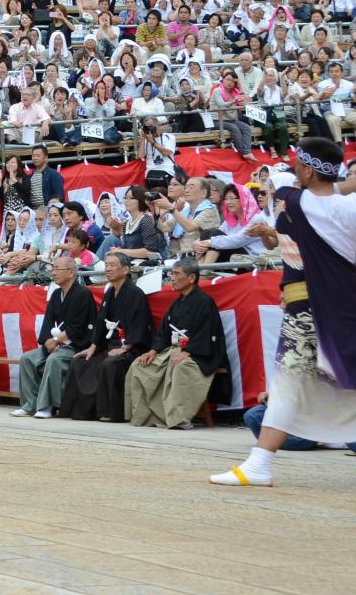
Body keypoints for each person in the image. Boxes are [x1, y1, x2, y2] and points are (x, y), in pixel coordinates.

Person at [212, 138, 356, 487]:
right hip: (342, 304)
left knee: (289, 383)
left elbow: (287, 195)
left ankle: (259, 463)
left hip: (308, 308)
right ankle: (259, 463)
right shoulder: (347, 210)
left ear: (306, 169)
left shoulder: (293, 200)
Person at [125, 256, 225, 430]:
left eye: (176, 274)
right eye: (171, 273)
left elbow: (206, 334)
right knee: (138, 365)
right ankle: (146, 416)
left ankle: (178, 418)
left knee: (181, 366)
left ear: (191, 278)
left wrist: (188, 352)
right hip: (174, 349)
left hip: (200, 354)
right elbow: (164, 332)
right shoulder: (176, 303)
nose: (172, 277)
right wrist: (153, 351)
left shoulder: (204, 302)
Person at [62, 252, 155, 421]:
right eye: (106, 265)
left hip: (131, 347)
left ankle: (109, 412)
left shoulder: (135, 293)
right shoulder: (110, 292)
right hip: (109, 345)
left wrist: (125, 348)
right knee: (80, 361)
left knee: (111, 364)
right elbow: (100, 323)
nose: (108, 269)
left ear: (126, 269)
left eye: (112, 265)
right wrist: (92, 347)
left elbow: (140, 324)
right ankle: (81, 411)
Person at [11, 256, 97, 419]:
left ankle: (47, 405)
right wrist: (47, 343)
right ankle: (30, 404)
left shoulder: (83, 293)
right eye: (53, 269)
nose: (53, 272)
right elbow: (48, 322)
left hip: (76, 345)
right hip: (56, 343)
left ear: (71, 272)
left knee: (54, 360)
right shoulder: (57, 294)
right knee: (27, 358)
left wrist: (57, 341)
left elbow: (78, 327)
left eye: (57, 269)